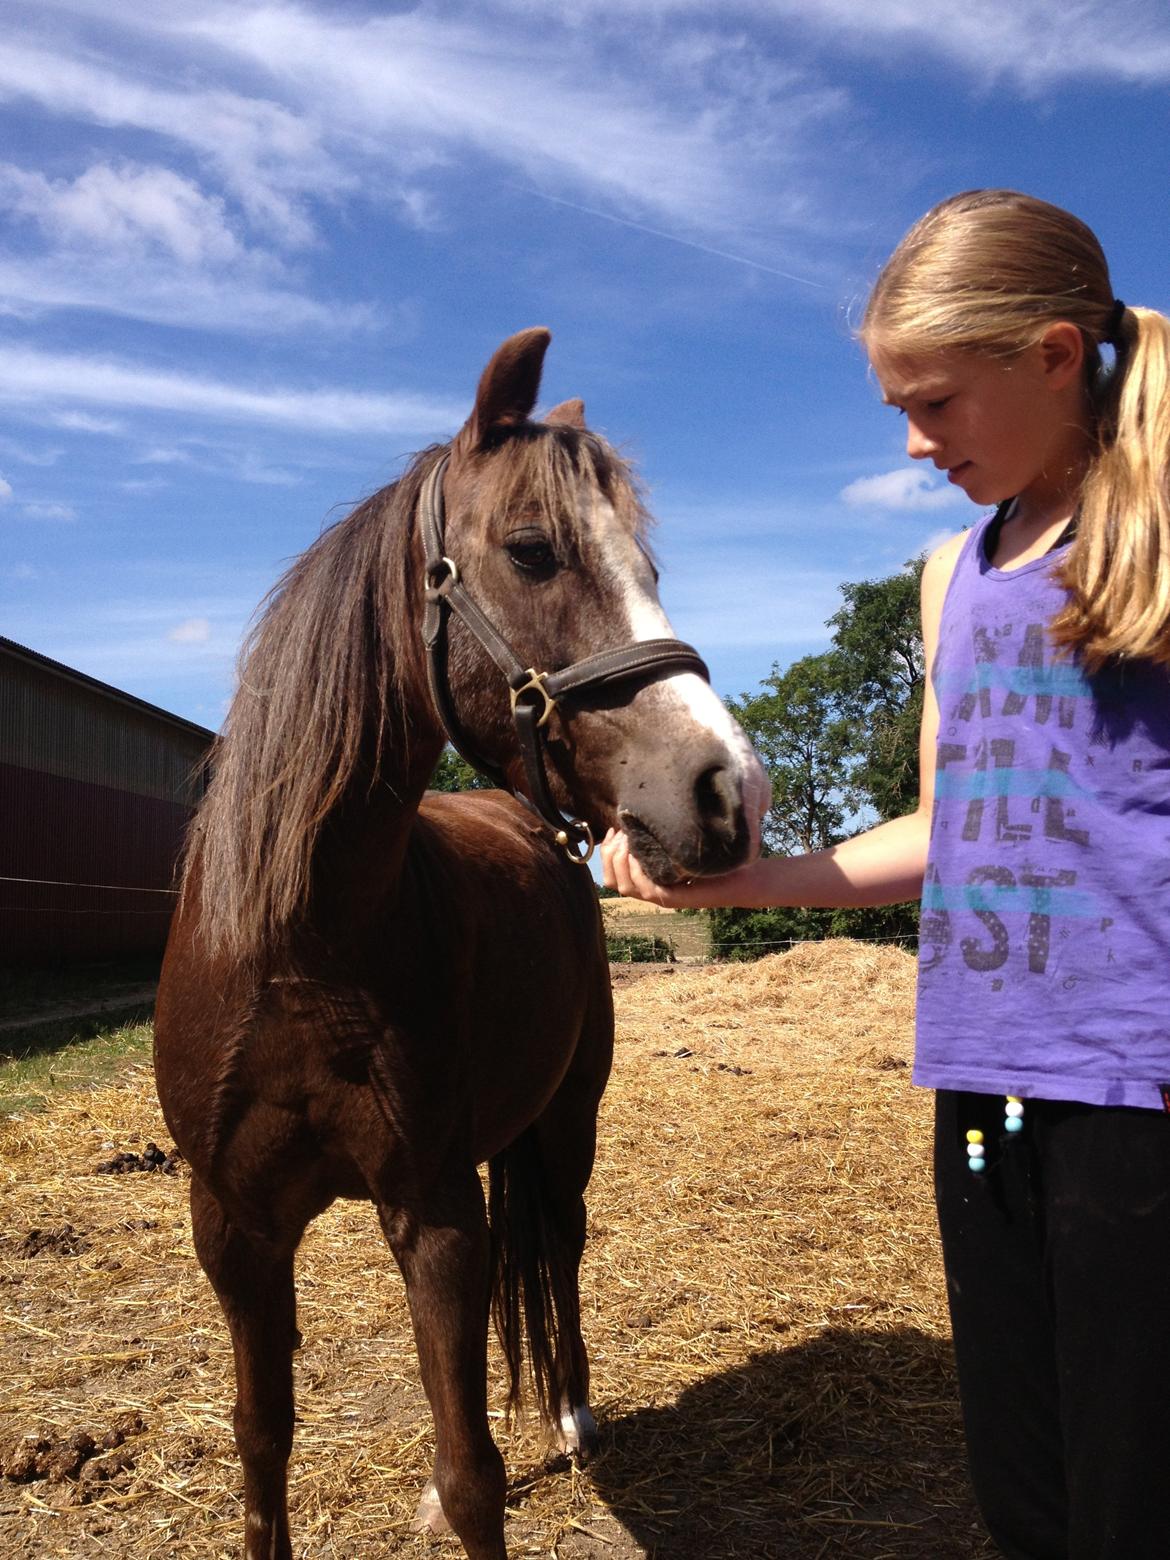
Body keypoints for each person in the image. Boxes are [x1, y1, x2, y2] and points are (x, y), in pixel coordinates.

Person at [600, 189, 1170, 1560]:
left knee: (1135, 1483)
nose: (915, 443)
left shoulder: (1155, 524)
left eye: (936, 403)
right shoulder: (947, 575)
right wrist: (740, 885)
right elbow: (949, 823)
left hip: (1136, 1100)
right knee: (1020, 1473)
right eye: (895, 411)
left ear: (1049, 356)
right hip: (984, 1089)